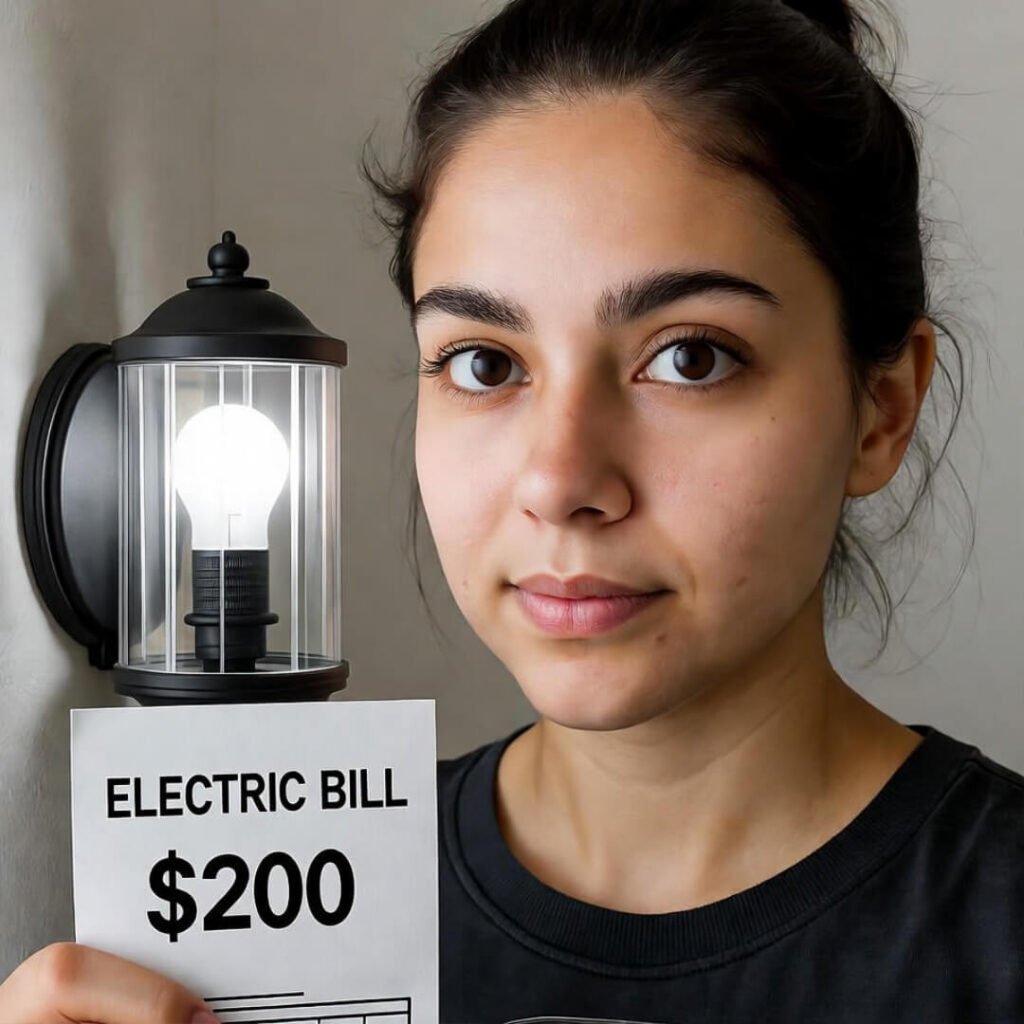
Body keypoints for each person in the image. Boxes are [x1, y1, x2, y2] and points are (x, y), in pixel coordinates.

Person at [1, 0, 1020, 1022]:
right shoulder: (275, 922)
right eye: (485, 364)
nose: (561, 479)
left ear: (881, 409)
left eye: (690, 357)